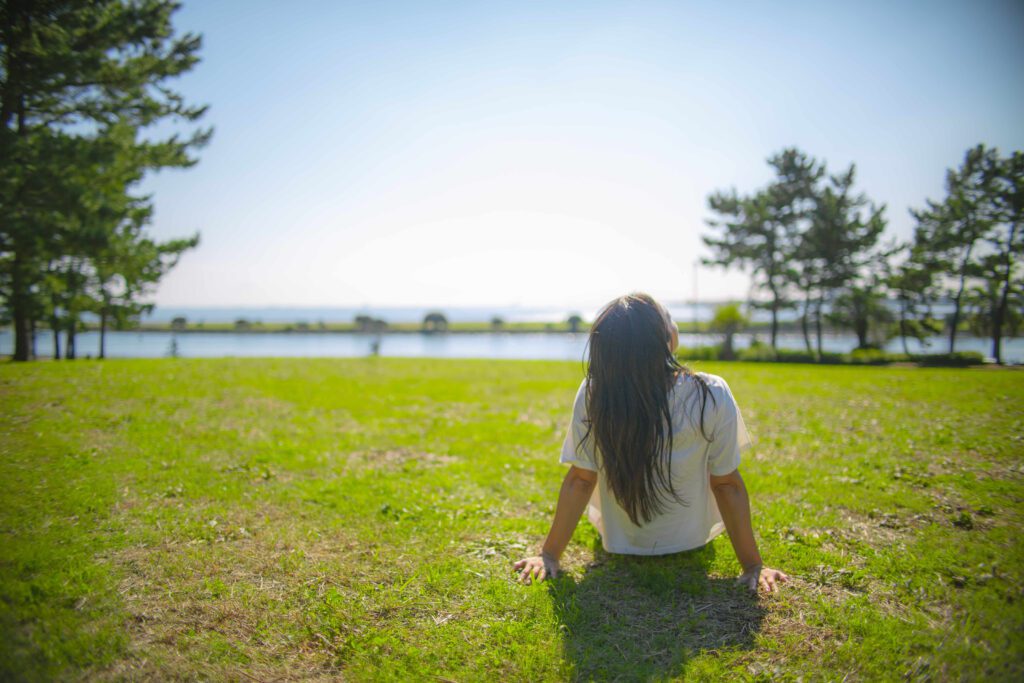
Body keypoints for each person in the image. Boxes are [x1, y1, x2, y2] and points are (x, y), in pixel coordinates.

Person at [514, 293, 788, 593]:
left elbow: (580, 480)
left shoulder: (595, 391)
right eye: (669, 319)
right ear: (666, 338)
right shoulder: (711, 392)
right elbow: (726, 485)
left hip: (620, 542)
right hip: (692, 540)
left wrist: (549, 553)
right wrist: (752, 565)